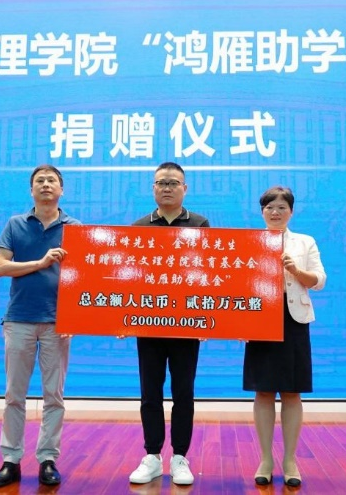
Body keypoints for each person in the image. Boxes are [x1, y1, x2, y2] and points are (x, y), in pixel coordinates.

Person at [0, 164, 80, 488]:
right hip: (19, 319)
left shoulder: (75, 228)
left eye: (51, 180)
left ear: (61, 189)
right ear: (31, 190)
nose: (45, 184)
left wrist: (74, 317)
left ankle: (48, 459)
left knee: (54, 396)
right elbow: (1, 268)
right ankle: (10, 460)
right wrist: (40, 263)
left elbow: (83, 278)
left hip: (58, 322)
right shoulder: (15, 224)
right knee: (14, 395)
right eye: (39, 180)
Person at [127, 162, 210, 486]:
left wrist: (207, 320)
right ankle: (151, 455)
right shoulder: (139, 226)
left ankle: (179, 457)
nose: (167, 188)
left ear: (184, 189)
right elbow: (129, 276)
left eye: (173, 183)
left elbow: (209, 273)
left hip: (186, 325)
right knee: (150, 392)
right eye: (161, 183)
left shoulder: (200, 224)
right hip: (149, 324)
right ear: (153, 188)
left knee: (183, 393)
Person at [243, 186, 326, 488]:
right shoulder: (250, 242)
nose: (275, 212)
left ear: (291, 211)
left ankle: (290, 460)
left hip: (293, 320)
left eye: (281, 207)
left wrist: (296, 271)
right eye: (269, 207)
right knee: (263, 391)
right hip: (259, 320)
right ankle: (265, 459)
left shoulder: (305, 241)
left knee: (292, 392)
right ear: (262, 211)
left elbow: (319, 280)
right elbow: (237, 283)